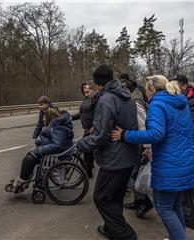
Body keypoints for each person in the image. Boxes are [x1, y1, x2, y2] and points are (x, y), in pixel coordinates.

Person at [111, 75, 194, 240]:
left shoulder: (157, 104)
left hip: (170, 166)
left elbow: (155, 134)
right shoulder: (180, 102)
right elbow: (190, 132)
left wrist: (125, 135)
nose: (145, 91)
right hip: (187, 161)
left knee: (164, 208)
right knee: (175, 206)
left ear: (151, 89)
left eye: (146, 88)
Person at [77, 65, 139, 240]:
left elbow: (102, 137)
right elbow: (118, 124)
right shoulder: (127, 96)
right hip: (128, 155)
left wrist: (81, 144)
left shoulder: (106, 99)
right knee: (115, 197)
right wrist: (98, 129)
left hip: (114, 159)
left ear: (96, 84)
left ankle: (126, 235)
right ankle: (111, 229)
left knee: (101, 197)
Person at [6, 108, 74, 193]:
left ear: (49, 117)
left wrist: (40, 149)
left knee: (28, 160)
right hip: (55, 153)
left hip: (56, 156)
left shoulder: (59, 128)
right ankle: (22, 181)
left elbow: (57, 145)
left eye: (44, 117)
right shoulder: (57, 125)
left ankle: (20, 182)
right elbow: (54, 139)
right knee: (29, 156)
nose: (43, 119)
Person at [119, 73, 153, 219]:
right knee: (133, 175)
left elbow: (143, 124)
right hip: (135, 142)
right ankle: (138, 200)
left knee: (131, 176)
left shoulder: (134, 101)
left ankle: (145, 201)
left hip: (138, 144)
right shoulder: (133, 97)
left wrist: (147, 147)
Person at [71, 81, 100, 178]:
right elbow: (81, 113)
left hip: (92, 129)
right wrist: (71, 117)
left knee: (88, 150)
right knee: (88, 152)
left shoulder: (95, 100)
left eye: (87, 91)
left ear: (93, 90)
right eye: (84, 91)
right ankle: (88, 170)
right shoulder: (85, 100)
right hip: (87, 129)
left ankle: (89, 171)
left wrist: (94, 126)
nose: (85, 93)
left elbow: (98, 114)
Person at [171, 75, 194, 151]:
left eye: (174, 86)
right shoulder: (176, 100)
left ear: (184, 86)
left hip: (191, 145)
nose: (171, 89)